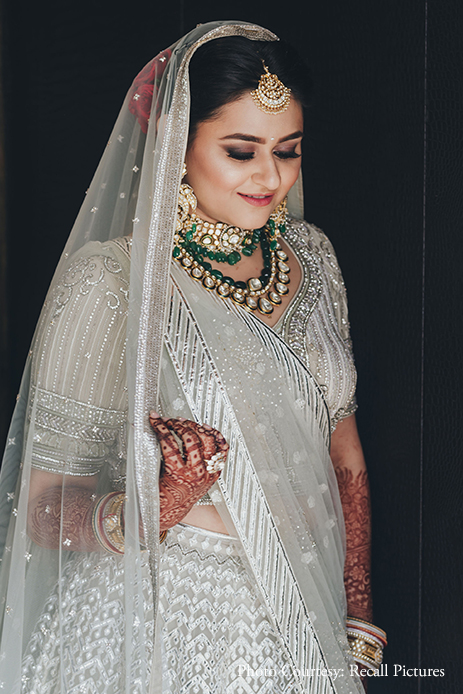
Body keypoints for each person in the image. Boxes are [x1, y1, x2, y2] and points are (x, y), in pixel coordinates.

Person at [0, 20, 386, 694]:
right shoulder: (115, 281)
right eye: (241, 151)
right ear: (177, 146)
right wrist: (160, 503)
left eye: (288, 150)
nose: (270, 175)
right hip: (165, 617)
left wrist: (356, 616)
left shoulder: (312, 256)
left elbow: (343, 451)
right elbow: (38, 507)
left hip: (304, 601)